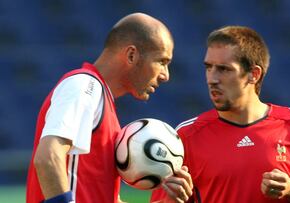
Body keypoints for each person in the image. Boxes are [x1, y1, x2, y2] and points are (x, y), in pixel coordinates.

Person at [151, 26, 290, 203]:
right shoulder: (185, 136)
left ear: (254, 74)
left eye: (224, 69)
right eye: (208, 67)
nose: (212, 79)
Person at [26, 13, 192, 203]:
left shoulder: (104, 105)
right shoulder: (84, 85)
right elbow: (48, 156)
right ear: (131, 55)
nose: (165, 75)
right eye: (162, 61)